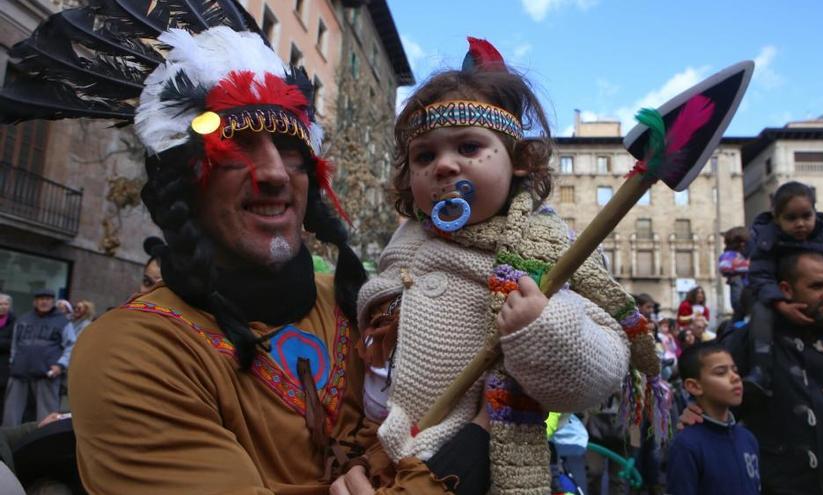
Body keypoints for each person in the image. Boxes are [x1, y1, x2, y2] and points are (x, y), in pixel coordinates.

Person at [0, 2, 493, 493]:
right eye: (235, 147)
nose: (275, 173)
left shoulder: (359, 304)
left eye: (292, 150)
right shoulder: (129, 352)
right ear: (185, 184)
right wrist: (473, 448)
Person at [356, 37, 651, 494]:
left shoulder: (544, 250)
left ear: (519, 161)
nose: (445, 165)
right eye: (425, 155)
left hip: (477, 472)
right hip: (381, 462)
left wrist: (544, 327)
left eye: (469, 147)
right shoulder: (404, 241)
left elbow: (600, 372)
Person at [684, 252, 823, 494]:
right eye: (817, 286)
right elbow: (715, 403)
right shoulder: (750, 342)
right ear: (786, 289)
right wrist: (697, 412)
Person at [744, 181, 823, 396]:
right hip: (781, 302)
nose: (801, 224)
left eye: (806, 216)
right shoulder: (767, 240)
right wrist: (780, 304)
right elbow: (760, 275)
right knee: (761, 313)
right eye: (791, 218)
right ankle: (761, 369)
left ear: (816, 212)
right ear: (776, 218)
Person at [665, 342, 759, 495]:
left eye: (735, 370)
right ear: (694, 386)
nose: (735, 377)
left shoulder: (748, 438)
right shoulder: (687, 445)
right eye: (721, 372)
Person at [2, 290, 76, 427]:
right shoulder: (23, 319)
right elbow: (14, 344)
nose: (44, 302)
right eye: (41, 299)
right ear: (35, 302)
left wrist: (60, 365)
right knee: (11, 416)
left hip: (47, 373)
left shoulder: (63, 322)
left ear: (53, 302)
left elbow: (72, 346)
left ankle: (45, 445)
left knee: (47, 417)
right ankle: (7, 445)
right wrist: (13, 362)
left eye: (47, 299)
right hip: (19, 372)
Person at [718, 226, 750, 317]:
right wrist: (748, 265)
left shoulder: (744, 255)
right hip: (739, 293)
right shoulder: (729, 255)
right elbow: (725, 267)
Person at [0, 293, 16, 419]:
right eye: (0, 304)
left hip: (3, 366)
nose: (3, 306)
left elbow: (14, 342)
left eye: (6, 304)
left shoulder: (14, 322)